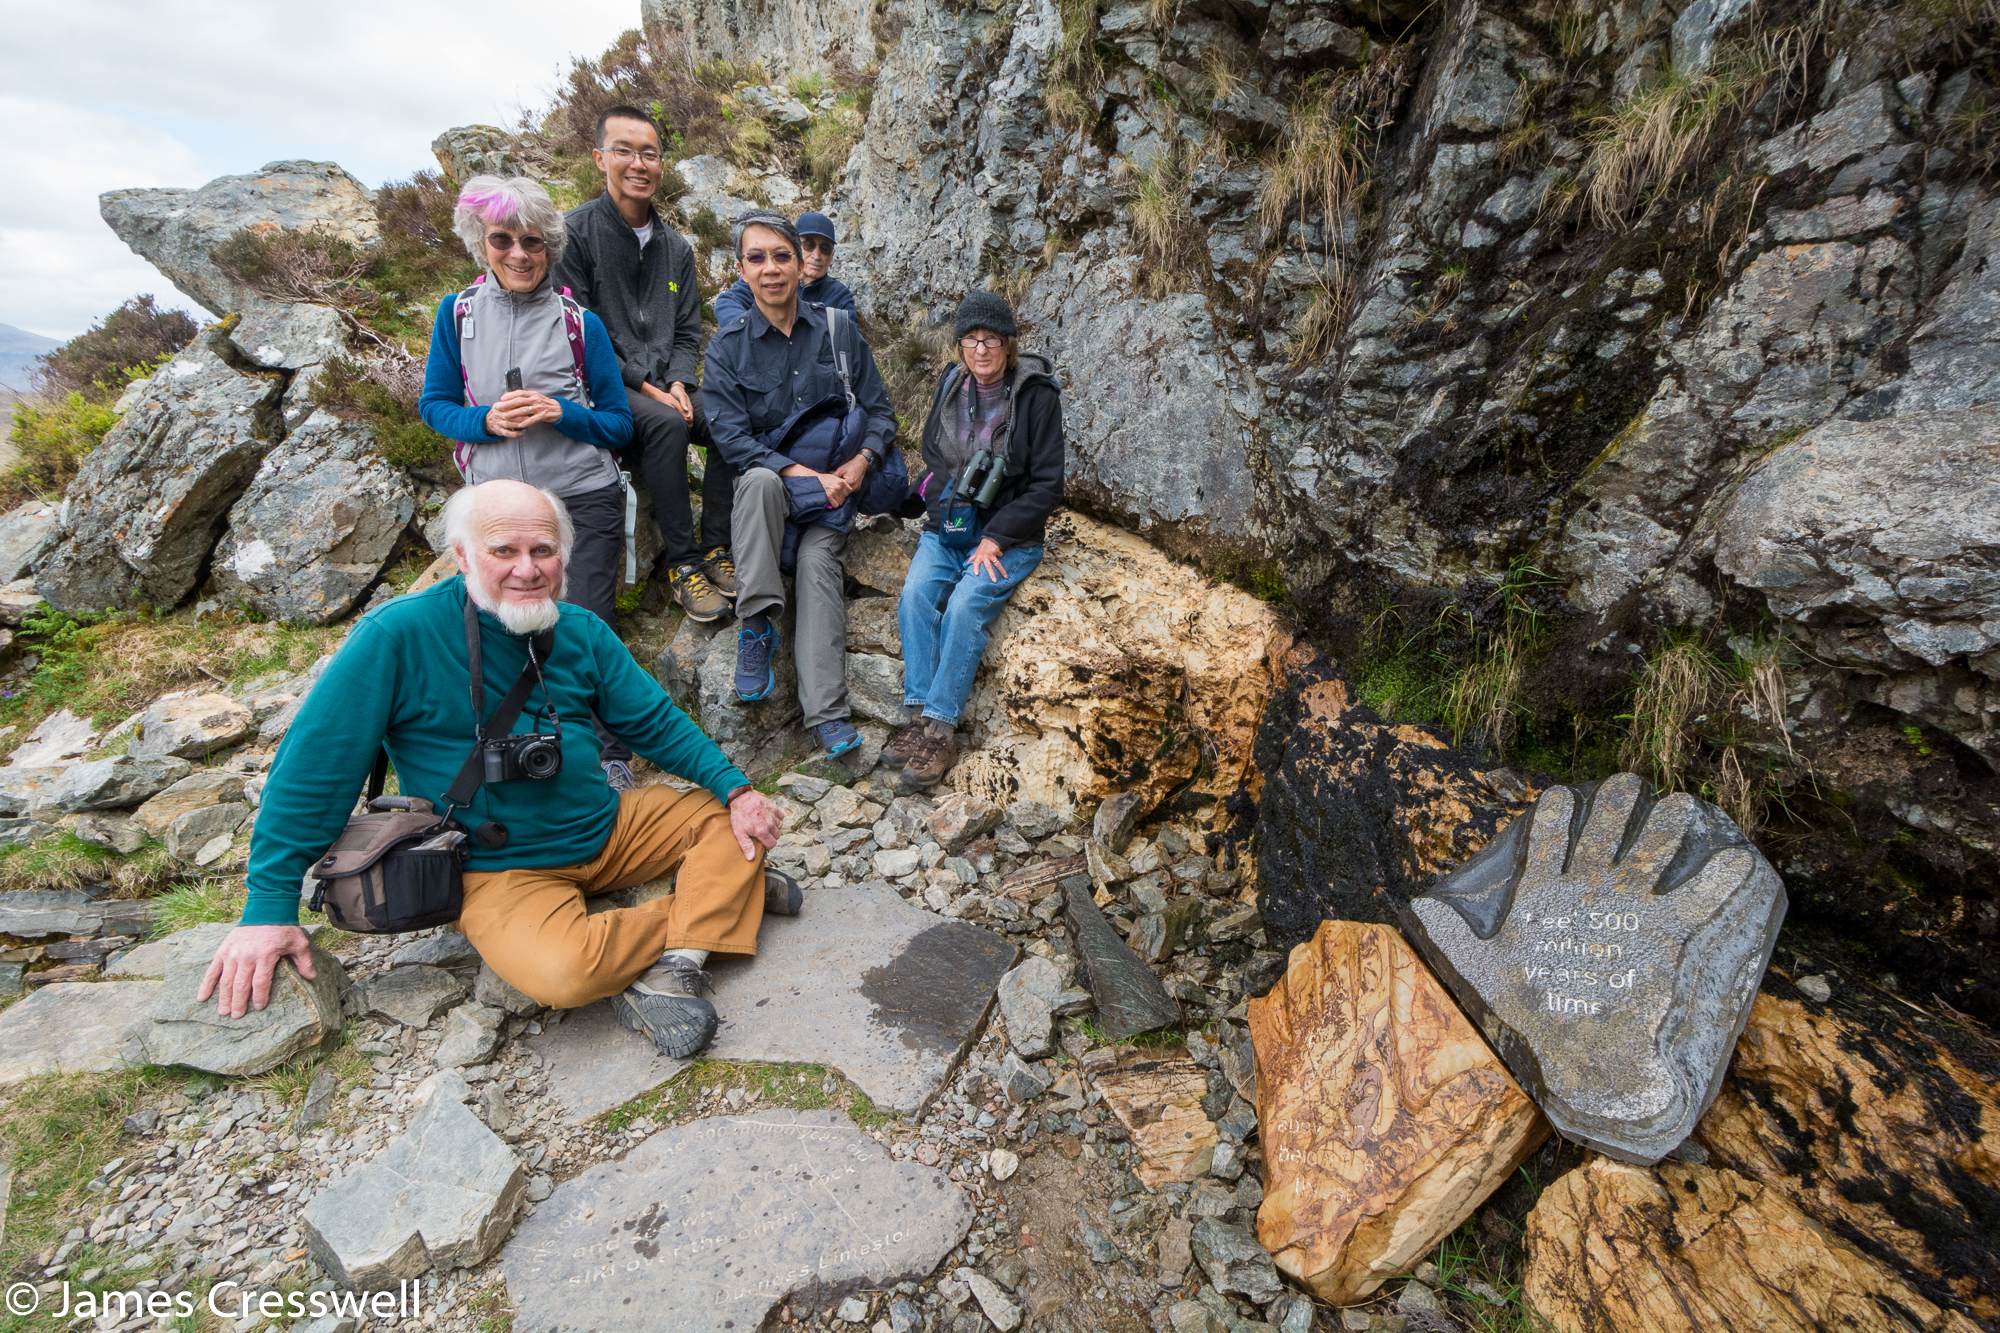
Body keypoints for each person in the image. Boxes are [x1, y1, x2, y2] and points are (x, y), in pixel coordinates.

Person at [196, 481, 794, 1060]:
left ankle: (681, 957)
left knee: (733, 817)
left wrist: (736, 789)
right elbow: (314, 771)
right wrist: (267, 909)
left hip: (609, 828)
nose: (527, 569)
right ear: (462, 556)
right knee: (566, 975)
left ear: (564, 555)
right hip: (494, 868)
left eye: (543, 550)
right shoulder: (397, 635)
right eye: (503, 551)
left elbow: (655, 723)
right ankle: (717, 902)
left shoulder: (582, 630)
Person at [418, 174, 649, 790]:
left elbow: (620, 425)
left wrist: (561, 412)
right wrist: (485, 421)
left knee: (582, 628)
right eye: (502, 240)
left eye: (532, 242)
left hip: (580, 499)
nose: (518, 254)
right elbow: (434, 406)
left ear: (550, 246)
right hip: (496, 507)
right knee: (497, 632)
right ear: (481, 243)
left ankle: (606, 756)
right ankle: (515, 755)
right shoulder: (458, 315)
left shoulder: (580, 323)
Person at [703, 210, 899, 760]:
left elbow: (882, 414)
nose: (771, 269)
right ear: (741, 269)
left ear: (799, 263)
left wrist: (861, 463)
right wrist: (808, 474)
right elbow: (732, 440)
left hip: (835, 495)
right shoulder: (727, 348)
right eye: (756, 258)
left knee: (819, 567)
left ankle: (828, 715)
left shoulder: (838, 332)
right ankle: (757, 625)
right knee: (762, 480)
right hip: (770, 499)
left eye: (782, 256)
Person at [553, 104, 736, 628]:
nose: (639, 163)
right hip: (604, 383)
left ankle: (717, 546)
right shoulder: (574, 234)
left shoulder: (676, 247)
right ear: (599, 158)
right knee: (662, 426)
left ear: (661, 163)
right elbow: (580, 330)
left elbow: (686, 330)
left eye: (650, 153)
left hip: (664, 380)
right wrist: (647, 388)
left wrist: (679, 381)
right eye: (624, 151)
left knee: (729, 416)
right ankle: (683, 565)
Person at [888, 291, 1063, 787]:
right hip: (951, 526)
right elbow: (934, 457)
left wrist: (999, 536)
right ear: (960, 344)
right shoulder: (951, 385)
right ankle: (919, 716)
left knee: (965, 607)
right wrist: (944, 514)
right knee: (915, 597)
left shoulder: (1036, 396)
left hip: (1010, 536)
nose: (980, 350)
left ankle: (940, 732)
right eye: (970, 340)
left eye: (991, 340)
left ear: (1008, 345)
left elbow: (1049, 485)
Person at [711, 211, 855, 328]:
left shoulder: (839, 295)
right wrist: (752, 332)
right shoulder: (768, 279)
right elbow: (727, 303)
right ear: (794, 247)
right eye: (809, 245)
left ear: (832, 255)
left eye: (825, 249)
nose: (817, 256)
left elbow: (849, 340)